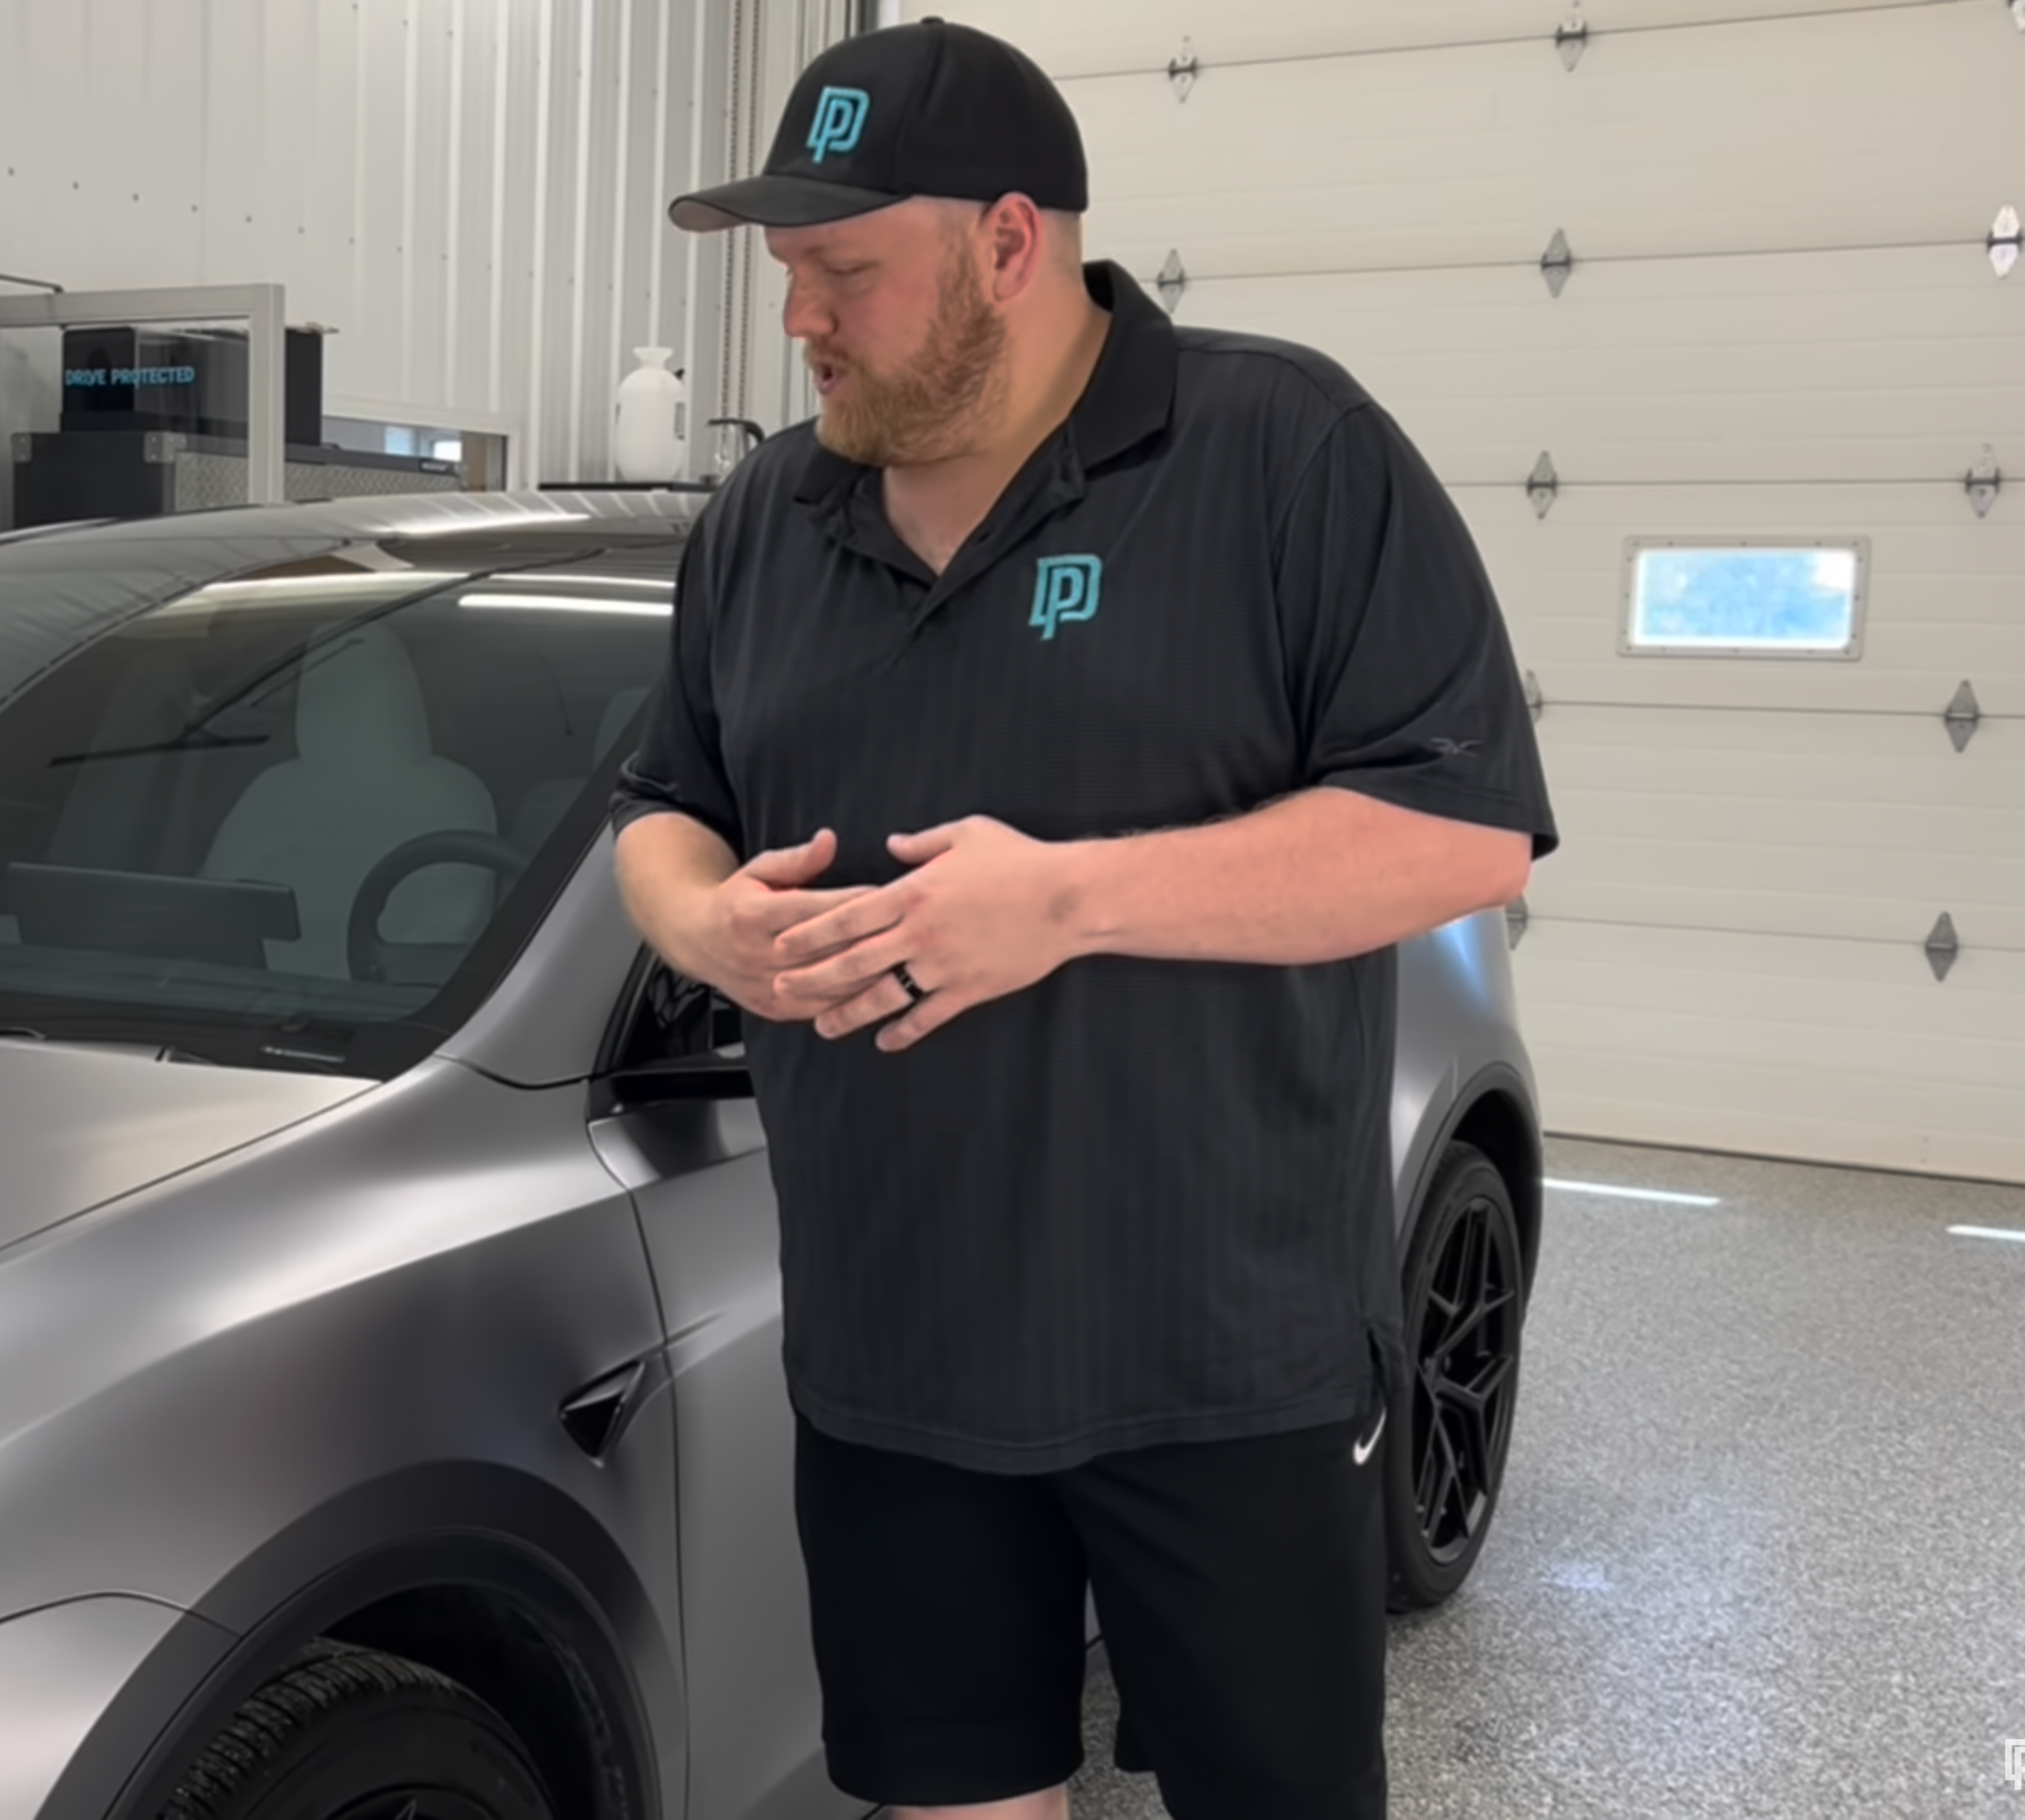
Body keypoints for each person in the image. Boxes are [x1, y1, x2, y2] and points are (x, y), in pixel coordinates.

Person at [611, 18, 1560, 1820]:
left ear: (1010, 242)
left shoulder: (1287, 457)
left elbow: (1465, 834)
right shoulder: (767, 518)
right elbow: (666, 803)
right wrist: (704, 928)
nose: (797, 318)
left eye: (842, 270)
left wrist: (1069, 903)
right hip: (892, 1362)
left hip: (1223, 1369)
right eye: (784, 272)